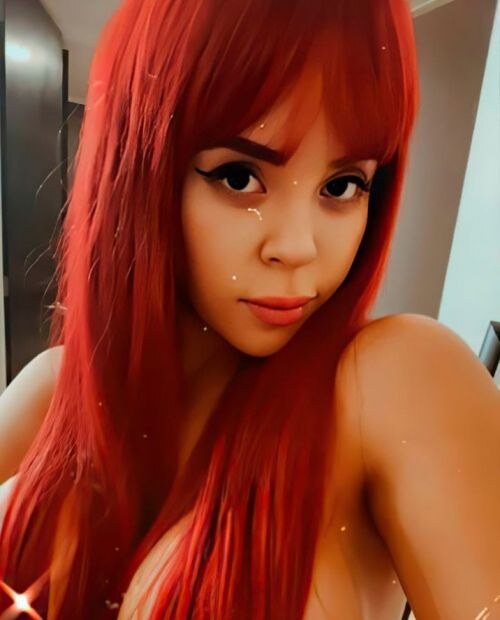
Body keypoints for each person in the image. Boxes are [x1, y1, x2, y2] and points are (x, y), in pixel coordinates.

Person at [1, 0, 499, 618]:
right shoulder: (53, 392)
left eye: (343, 186)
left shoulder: (394, 382)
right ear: (141, 171)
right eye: (240, 177)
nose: (297, 246)